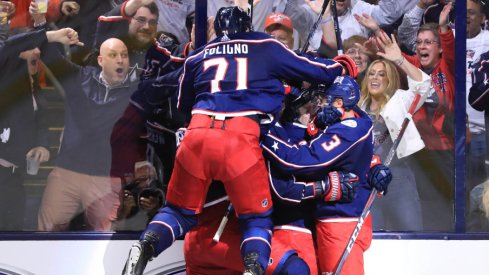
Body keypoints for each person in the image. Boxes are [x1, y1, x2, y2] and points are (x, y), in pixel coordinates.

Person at [122, 6, 352, 275]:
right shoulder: (265, 45)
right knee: (256, 219)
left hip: (197, 133)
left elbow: (183, 107)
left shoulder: (197, 56)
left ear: (217, 31)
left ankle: (147, 245)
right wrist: (343, 65)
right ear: (247, 27)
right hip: (240, 138)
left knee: (177, 211)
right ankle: (253, 268)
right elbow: (318, 71)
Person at [261, 76, 390, 274]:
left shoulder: (346, 128)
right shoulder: (347, 123)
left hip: (339, 221)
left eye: (326, 100)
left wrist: (373, 166)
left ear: (340, 102)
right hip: (312, 224)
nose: (320, 106)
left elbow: (310, 159)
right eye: (316, 101)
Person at [35, 34, 140, 231]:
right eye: (113, 55)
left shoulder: (136, 89)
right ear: (100, 60)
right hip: (67, 172)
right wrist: (49, 30)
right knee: (47, 232)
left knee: (107, 235)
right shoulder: (80, 77)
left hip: (106, 177)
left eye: (124, 55)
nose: (120, 60)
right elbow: (49, 55)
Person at [0, 26, 80, 230]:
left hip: (12, 176)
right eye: (32, 47)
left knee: (14, 235)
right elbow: (8, 46)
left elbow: (41, 121)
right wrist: (50, 35)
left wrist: (41, 145)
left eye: (39, 48)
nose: (37, 51)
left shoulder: (34, 87)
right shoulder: (5, 77)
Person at [358, 31, 431, 231]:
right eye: (372, 73)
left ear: (389, 80)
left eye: (381, 74)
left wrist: (399, 59)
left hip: (398, 178)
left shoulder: (399, 101)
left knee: (412, 234)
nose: (375, 78)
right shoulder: (358, 108)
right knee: (374, 239)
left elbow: (423, 85)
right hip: (367, 181)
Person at [401, 3, 456, 231]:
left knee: (448, 205)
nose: (421, 47)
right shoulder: (414, 64)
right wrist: (376, 31)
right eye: (419, 42)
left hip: (448, 151)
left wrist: (443, 27)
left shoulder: (448, 66)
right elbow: (396, 55)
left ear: (439, 48)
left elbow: (450, 46)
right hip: (421, 152)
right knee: (426, 207)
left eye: (427, 42)